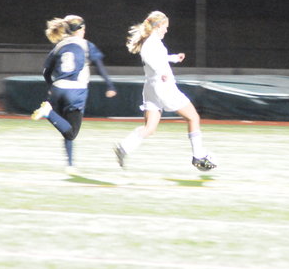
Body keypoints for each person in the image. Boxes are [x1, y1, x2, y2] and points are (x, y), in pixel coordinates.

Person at [113, 11, 217, 171]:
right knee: (193, 118)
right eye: (165, 27)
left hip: (151, 88)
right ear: (158, 25)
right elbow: (151, 59)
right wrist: (161, 72)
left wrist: (174, 58)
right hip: (164, 87)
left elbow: (158, 58)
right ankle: (198, 156)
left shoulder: (151, 41)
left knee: (149, 128)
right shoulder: (152, 43)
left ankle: (124, 147)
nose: (166, 30)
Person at [31, 15, 117, 175]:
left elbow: (46, 71)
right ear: (80, 29)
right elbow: (99, 67)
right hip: (76, 91)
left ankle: (70, 165)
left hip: (57, 90)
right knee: (71, 132)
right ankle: (47, 112)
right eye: (84, 29)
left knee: (66, 128)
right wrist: (109, 85)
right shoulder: (86, 45)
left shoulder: (59, 46)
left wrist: (50, 86)